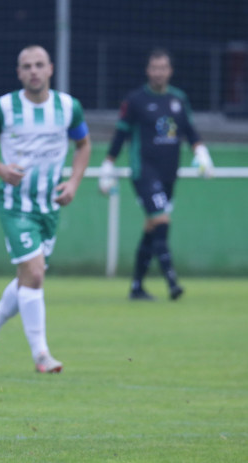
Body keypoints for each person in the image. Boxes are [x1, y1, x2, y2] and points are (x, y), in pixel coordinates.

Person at [0, 45, 91, 373]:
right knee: (35, 273)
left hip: (49, 206)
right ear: (19, 72)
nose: (34, 71)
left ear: (51, 68)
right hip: (15, 205)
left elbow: (83, 145)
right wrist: (0, 168)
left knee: (28, 276)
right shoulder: (4, 107)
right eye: (27, 66)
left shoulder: (68, 107)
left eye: (39, 65)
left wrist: (74, 182)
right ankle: (41, 354)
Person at [99, 48, 213, 301]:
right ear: (147, 70)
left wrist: (202, 154)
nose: (158, 72)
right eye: (154, 68)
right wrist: (108, 165)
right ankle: (172, 281)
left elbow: (190, 132)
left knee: (152, 226)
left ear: (170, 71)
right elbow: (120, 135)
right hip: (144, 172)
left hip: (169, 174)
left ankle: (136, 287)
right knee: (162, 221)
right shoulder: (136, 100)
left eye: (163, 68)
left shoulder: (179, 99)